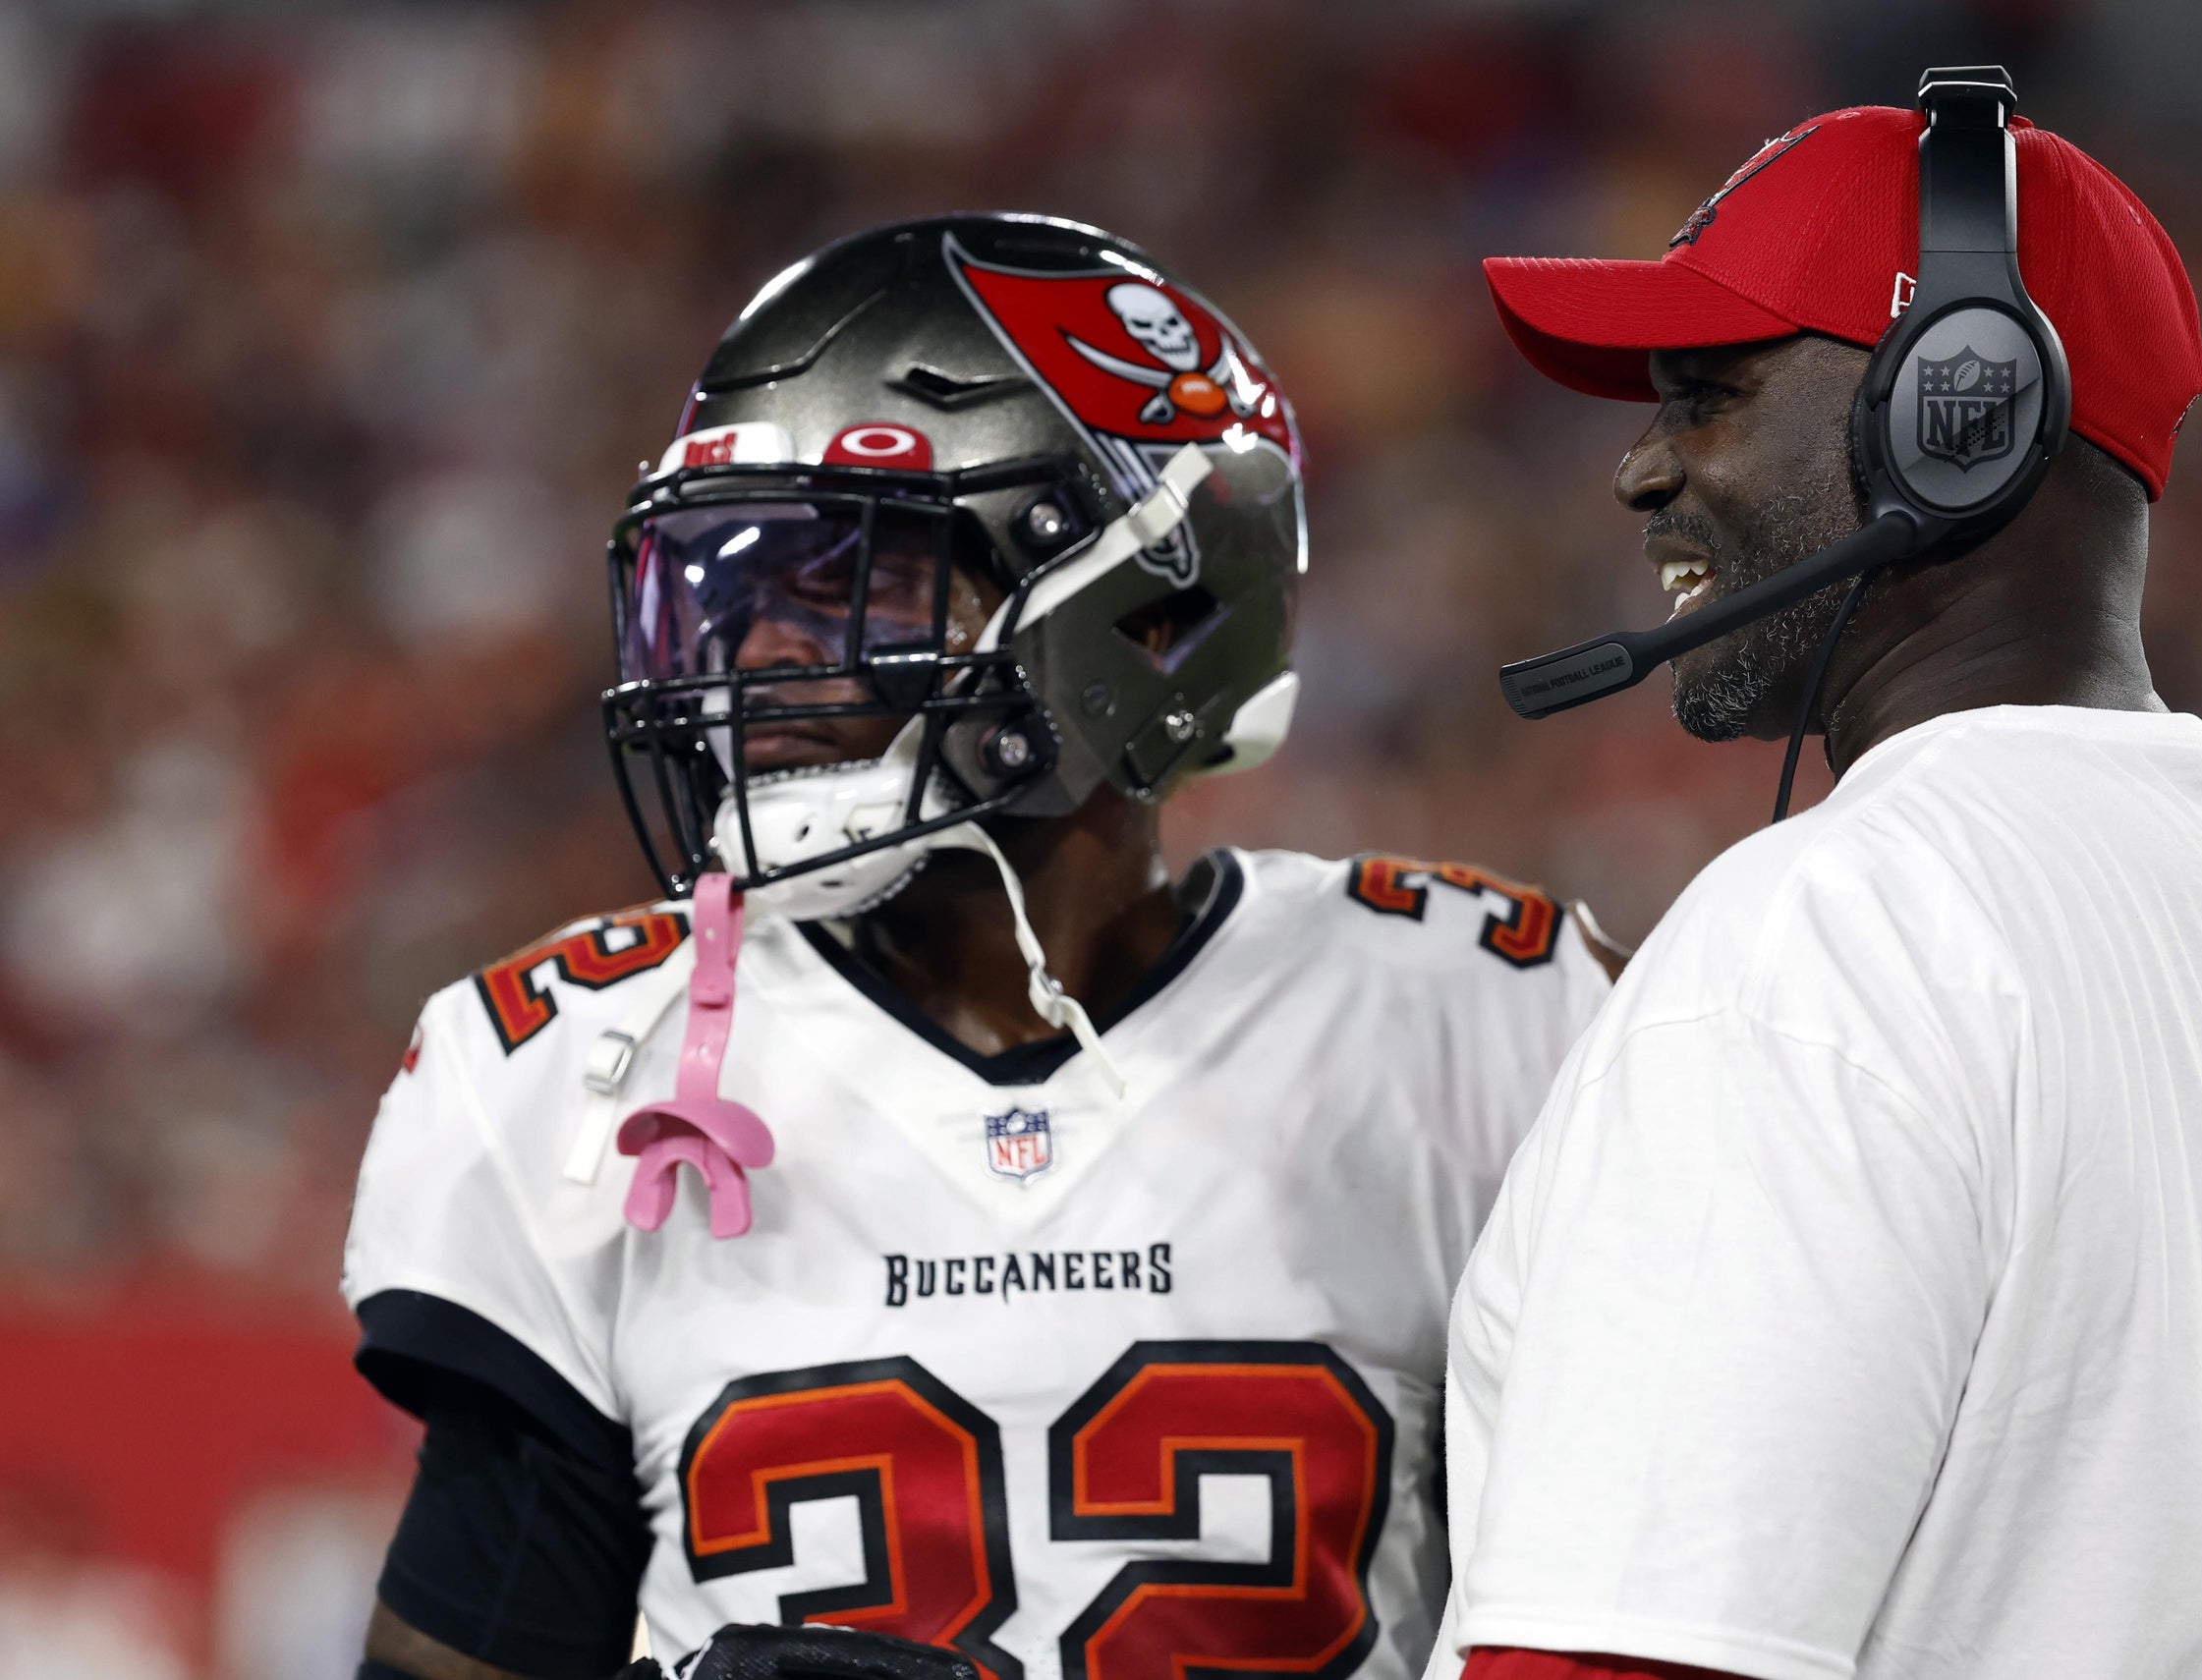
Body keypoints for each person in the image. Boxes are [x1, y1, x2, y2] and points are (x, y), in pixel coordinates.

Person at [341, 213, 1619, 1680]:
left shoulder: (1478, 1018)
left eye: (847, 579)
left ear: (1150, 610)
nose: (754, 654)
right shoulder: (578, 1065)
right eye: (735, 588)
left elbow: (1643, 1630)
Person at [1431, 79, 2202, 1680]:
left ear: (1965, 410)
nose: (1639, 471)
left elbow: (1622, 1659)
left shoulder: (1824, 942)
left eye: (1709, 392)